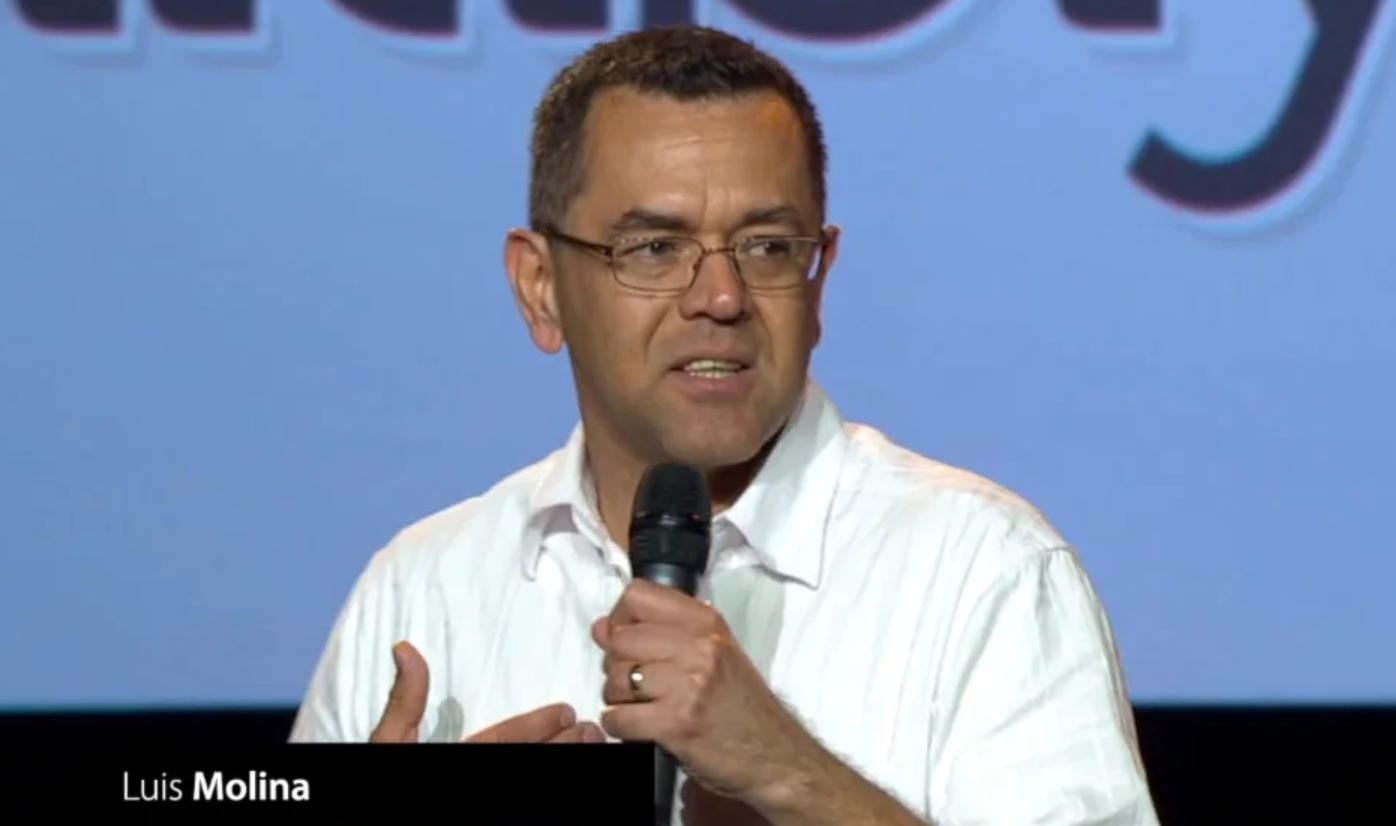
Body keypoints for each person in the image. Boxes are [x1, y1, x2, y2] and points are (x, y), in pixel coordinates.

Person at [289, 24, 1160, 826]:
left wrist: (791, 775)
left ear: (819, 283)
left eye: (768, 247)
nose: (720, 298)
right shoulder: (421, 591)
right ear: (540, 288)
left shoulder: (984, 572)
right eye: (655, 248)